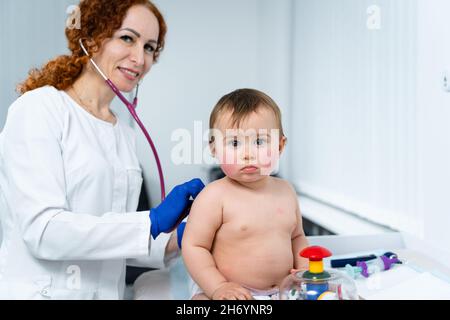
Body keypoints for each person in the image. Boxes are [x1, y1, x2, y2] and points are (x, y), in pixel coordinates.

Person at [0, 0, 204, 299]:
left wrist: (180, 237)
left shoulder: (122, 132)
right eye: (127, 38)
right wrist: (149, 221)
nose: (139, 58)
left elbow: (112, 242)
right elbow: (43, 231)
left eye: (149, 47)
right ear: (92, 37)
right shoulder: (39, 109)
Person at [181, 89, 309, 300]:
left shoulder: (286, 191)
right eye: (234, 143)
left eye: (259, 142)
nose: (248, 154)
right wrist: (218, 287)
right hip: (232, 292)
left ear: (279, 146)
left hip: (283, 290)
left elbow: (297, 237)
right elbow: (194, 246)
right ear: (214, 148)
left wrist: (304, 270)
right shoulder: (214, 196)